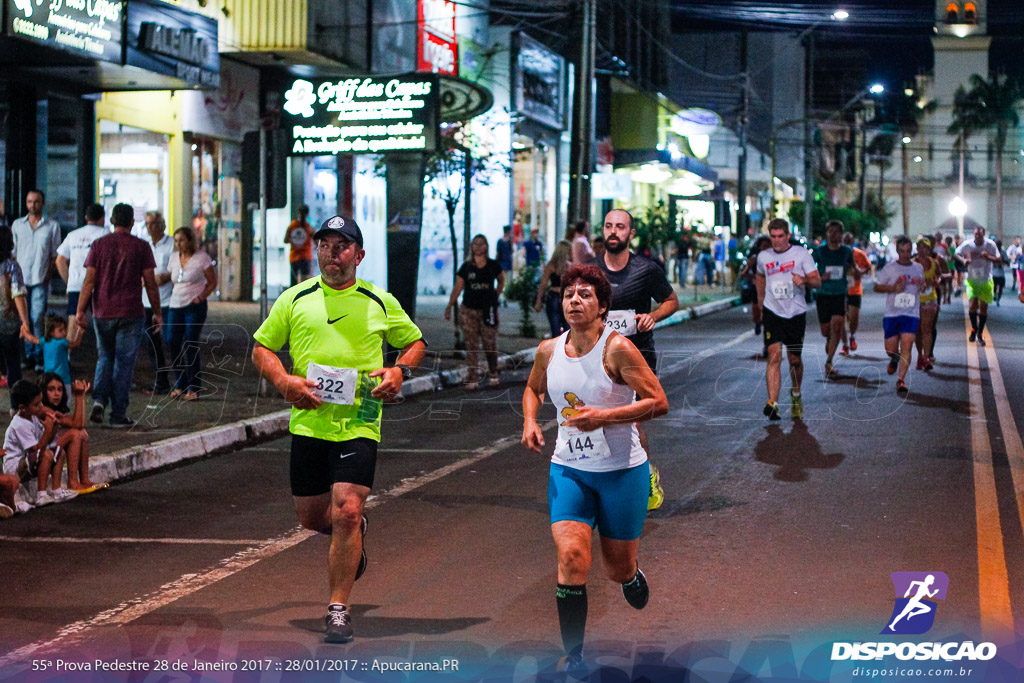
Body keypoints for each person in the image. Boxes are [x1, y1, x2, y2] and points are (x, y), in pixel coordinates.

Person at [251, 215, 426, 644]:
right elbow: (262, 348)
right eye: (326, 244)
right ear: (317, 252)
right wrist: (284, 381)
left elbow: (415, 341)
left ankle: (338, 609)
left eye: (343, 245)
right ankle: (353, 537)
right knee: (312, 518)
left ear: (359, 255)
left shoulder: (379, 300)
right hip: (310, 421)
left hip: (361, 421)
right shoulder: (295, 299)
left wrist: (400, 371)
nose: (333, 252)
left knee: (347, 509)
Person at [520, 264, 668, 674]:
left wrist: (606, 415)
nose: (574, 301)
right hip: (569, 470)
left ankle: (631, 574)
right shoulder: (548, 350)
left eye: (585, 295)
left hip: (622, 471)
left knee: (616, 567)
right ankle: (575, 654)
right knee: (570, 556)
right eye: (569, 294)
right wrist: (530, 421)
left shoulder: (617, 348)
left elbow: (658, 401)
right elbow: (532, 389)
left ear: (603, 306)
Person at [591, 209, 678, 511]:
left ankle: (645, 475)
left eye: (620, 227)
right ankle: (611, 479)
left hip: (637, 356)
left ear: (630, 233)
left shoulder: (647, 270)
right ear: (603, 231)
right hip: (598, 357)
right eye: (609, 226)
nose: (614, 231)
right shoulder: (590, 272)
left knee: (631, 421)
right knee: (602, 421)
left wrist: (653, 316)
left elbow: (671, 300)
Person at [77, 203, 162, 428]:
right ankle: (118, 415)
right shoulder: (141, 247)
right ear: (132, 222)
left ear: (112, 221)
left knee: (105, 357)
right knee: (124, 364)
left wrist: (79, 311)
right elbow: (151, 284)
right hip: (131, 312)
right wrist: (157, 312)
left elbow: (89, 281)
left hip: (102, 311)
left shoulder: (98, 245)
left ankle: (98, 401)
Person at [755, 218, 821, 421]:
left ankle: (796, 394)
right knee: (774, 356)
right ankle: (773, 403)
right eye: (772, 237)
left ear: (788, 236)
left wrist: (804, 280)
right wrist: (760, 302)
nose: (776, 241)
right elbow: (760, 276)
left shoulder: (801, 255)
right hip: (773, 311)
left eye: (780, 236)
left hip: (795, 312)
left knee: (795, 360)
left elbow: (817, 281)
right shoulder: (763, 257)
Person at [3, 379, 76, 506]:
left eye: (41, 402)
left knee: (60, 452)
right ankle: (41, 495)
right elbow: (36, 449)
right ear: (22, 408)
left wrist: (53, 426)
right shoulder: (19, 424)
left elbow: (46, 440)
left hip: (29, 460)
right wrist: (48, 430)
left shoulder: (32, 417)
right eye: (36, 404)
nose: (41, 406)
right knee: (46, 454)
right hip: (15, 467)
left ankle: (57, 491)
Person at [11, 189, 61, 371]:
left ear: (43, 203)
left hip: (40, 279)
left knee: (38, 317)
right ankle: (28, 355)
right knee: (24, 319)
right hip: (21, 280)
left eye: (37, 201)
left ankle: (39, 357)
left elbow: (55, 255)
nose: (33, 205)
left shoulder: (52, 226)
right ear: (26, 203)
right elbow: (13, 254)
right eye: (30, 201)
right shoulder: (17, 225)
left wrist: (48, 274)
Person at [445, 234, 504, 390]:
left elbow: (501, 280)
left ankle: (493, 372)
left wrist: (495, 295)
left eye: (482, 244)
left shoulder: (493, 265)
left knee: (489, 343)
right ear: (472, 247)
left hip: (487, 310)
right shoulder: (466, 267)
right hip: (468, 310)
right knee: (471, 345)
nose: (478, 247)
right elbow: (458, 287)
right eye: (475, 244)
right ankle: (473, 378)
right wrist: (450, 306)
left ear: (486, 247)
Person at [165, 227, 217, 401]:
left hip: (194, 306)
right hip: (175, 304)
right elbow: (171, 279)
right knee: (172, 341)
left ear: (190, 240)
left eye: (182, 240)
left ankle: (193, 387)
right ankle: (180, 382)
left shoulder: (202, 258)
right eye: (176, 240)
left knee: (190, 342)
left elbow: (212, 281)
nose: (179, 244)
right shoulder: (173, 258)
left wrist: (201, 296)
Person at [874, 236, 925, 394]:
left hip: (911, 313)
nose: (905, 254)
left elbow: (921, 286)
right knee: (890, 349)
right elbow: (877, 287)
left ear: (912, 251)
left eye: (908, 251)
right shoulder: (890, 268)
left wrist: (923, 287)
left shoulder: (918, 268)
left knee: (908, 344)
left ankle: (901, 379)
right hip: (892, 313)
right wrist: (893, 288)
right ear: (897, 251)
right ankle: (894, 359)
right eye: (902, 251)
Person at [56, 204, 108, 346]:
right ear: (102, 218)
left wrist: (69, 282)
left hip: (76, 285)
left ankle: (66, 357)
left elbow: (60, 260)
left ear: (86, 217)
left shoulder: (73, 235)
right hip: (98, 285)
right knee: (101, 320)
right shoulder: (105, 235)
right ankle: (103, 354)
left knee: (73, 319)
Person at [40, 375, 98, 492]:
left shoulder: (56, 409)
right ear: (43, 392)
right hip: (39, 451)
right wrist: (78, 396)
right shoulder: (42, 409)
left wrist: (81, 396)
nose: (56, 394)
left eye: (59, 389)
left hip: (48, 448)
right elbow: (77, 424)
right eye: (51, 390)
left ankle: (84, 480)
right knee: (74, 434)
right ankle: (72, 482)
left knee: (83, 434)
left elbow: (80, 424)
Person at [0, 226, 37, 407]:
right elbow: (19, 296)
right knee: (13, 365)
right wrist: (25, 322)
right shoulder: (12, 266)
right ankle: (16, 407)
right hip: (9, 325)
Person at [138, 211, 174, 395]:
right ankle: (161, 382)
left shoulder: (172, 244)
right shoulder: (144, 245)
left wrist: (167, 277)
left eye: (153, 223)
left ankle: (181, 381)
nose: (150, 227)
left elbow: (181, 267)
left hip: (168, 300)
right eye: (147, 224)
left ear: (162, 224)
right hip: (147, 302)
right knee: (152, 344)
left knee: (171, 340)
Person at [812, 221, 854, 378]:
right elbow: (808, 268)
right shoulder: (819, 251)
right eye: (831, 231)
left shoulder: (846, 251)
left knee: (837, 325)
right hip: (823, 293)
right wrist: (820, 276)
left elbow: (851, 267)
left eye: (837, 231)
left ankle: (829, 362)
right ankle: (830, 340)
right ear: (827, 233)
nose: (834, 234)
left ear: (841, 234)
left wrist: (856, 272)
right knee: (826, 332)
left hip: (839, 293)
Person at [955, 226, 1001, 345]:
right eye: (976, 234)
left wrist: (988, 257)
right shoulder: (968, 244)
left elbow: (999, 258)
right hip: (972, 280)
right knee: (972, 306)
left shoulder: (990, 245)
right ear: (973, 234)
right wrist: (963, 260)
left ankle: (980, 333)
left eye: (980, 235)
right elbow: (956, 253)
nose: (978, 236)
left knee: (984, 308)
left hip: (986, 280)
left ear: (984, 234)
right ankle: (974, 329)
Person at [839, 232, 872, 356]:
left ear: (852, 242)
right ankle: (845, 345)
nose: (846, 243)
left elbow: (868, 267)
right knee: (841, 318)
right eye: (844, 240)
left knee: (853, 317)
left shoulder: (859, 254)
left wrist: (860, 273)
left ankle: (852, 336)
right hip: (841, 290)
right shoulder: (838, 254)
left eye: (849, 240)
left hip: (855, 289)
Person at [535, 240, 572, 339]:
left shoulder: (551, 266)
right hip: (566, 298)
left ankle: (557, 352)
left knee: (555, 331)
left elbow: (543, 285)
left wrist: (538, 301)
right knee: (568, 331)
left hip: (553, 297)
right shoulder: (570, 266)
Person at [913, 238, 940, 372]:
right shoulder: (912, 264)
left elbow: (940, 276)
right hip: (915, 300)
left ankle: (927, 357)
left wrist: (936, 281)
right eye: (920, 247)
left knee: (927, 328)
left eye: (925, 248)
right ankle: (919, 355)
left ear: (929, 250)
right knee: (917, 330)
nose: (922, 250)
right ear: (917, 249)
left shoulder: (934, 263)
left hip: (930, 299)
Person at [741, 236, 771, 357]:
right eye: (763, 246)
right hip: (756, 289)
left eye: (767, 245)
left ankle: (767, 346)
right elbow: (744, 273)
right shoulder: (754, 258)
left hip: (770, 290)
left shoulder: (774, 258)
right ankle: (757, 323)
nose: (765, 248)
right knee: (756, 313)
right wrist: (755, 278)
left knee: (768, 318)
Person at [41, 313, 81, 399]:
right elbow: (76, 343)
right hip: (63, 378)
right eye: (61, 330)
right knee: (66, 401)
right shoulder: (62, 343)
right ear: (51, 332)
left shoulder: (44, 341)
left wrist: (25, 332)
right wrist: (80, 331)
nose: (65, 333)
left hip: (48, 378)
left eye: (64, 330)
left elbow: (33, 339)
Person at [286, 205, 315, 286]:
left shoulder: (292, 226)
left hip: (294, 257)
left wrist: (294, 240)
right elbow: (316, 241)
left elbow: (285, 240)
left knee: (298, 283)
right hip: (305, 257)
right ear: (307, 214)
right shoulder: (308, 227)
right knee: (305, 283)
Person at [992, 239, 1009, 306]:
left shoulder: (1003, 252)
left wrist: (1002, 260)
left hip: (1001, 274)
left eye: (999, 246)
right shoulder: (992, 253)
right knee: (994, 287)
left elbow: (1007, 262)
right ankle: (994, 295)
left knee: (1001, 288)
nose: (998, 247)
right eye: (997, 245)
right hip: (994, 273)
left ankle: (998, 300)